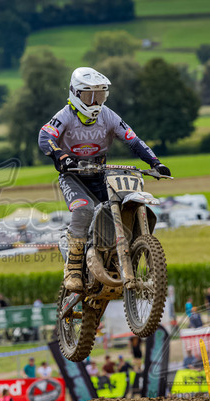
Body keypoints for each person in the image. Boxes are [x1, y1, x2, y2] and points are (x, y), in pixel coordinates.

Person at [38, 67, 170, 292]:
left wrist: (155, 163)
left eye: (100, 95)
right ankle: (73, 268)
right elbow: (45, 135)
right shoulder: (65, 115)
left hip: (100, 173)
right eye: (89, 96)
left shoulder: (108, 115)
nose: (95, 102)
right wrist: (60, 155)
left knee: (121, 208)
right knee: (84, 210)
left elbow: (133, 140)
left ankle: (122, 255)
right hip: (73, 175)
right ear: (75, 93)